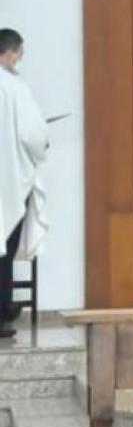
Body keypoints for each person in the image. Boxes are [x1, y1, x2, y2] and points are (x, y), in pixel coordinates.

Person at [0, 30, 49, 339]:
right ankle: (2, 313)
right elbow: (33, 135)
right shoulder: (14, 88)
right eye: (19, 54)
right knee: (4, 245)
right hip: (7, 182)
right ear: (13, 52)